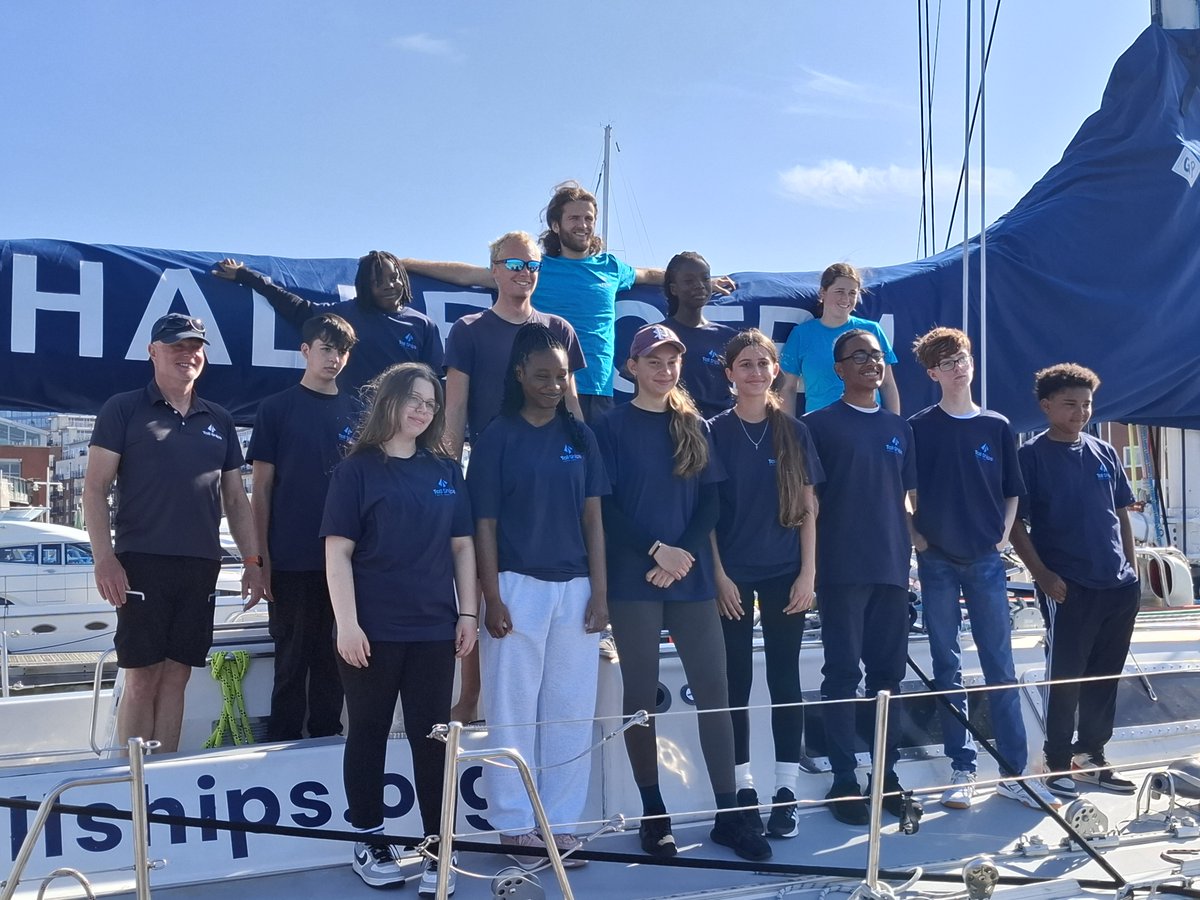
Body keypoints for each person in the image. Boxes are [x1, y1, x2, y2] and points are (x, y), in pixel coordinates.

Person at [593, 323, 771, 863]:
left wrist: (682, 556)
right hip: (635, 580)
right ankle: (654, 814)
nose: (664, 369)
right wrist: (656, 552)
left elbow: (711, 503)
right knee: (640, 696)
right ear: (631, 367)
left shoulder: (693, 423)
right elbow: (604, 507)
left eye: (672, 361)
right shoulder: (610, 426)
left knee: (715, 691)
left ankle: (729, 815)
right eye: (653, 361)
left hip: (688, 578)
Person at [321, 362, 479, 893]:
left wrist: (468, 613)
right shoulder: (355, 471)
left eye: (431, 403)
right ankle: (368, 839)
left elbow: (463, 547)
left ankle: (439, 846)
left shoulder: (445, 471)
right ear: (388, 400)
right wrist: (347, 624)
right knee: (367, 732)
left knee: (431, 738)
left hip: (433, 630)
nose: (422, 410)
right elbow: (337, 553)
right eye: (413, 398)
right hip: (371, 631)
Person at [83, 313, 267, 754]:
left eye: (195, 347)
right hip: (140, 562)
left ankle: (163, 773)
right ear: (153, 351)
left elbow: (235, 500)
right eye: (176, 346)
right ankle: (130, 775)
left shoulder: (219, 418)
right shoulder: (123, 409)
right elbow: (93, 488)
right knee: (142, 676)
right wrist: (104, 559)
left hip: (200, 565)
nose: (188, 354)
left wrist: (253, 561)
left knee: (178, 675)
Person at [403, 181, 734, 422]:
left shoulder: (611, 267)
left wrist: (705, 283)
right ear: (556, 225)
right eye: (575, 218)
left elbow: (650, 274)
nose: (583, 225)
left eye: (589, 218)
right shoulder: (533, 268)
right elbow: (467, 275)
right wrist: (405, 264)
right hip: (545, 387)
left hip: (598, 390)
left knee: (594, 482)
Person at [467, 323, 610, 868]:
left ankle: (559, 825)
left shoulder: (581, 437)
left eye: (561, 377)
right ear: (520, 375)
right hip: (516, 587)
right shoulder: (497, 436)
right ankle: (514, 828)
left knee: (570, 713)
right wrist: (491, 595)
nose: (553, 385)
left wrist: (600, 593)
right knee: (512, 714)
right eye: (542, 376)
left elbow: (593, 519)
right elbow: (483, 523)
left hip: (576, 591)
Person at [908, 327, 1061, 811]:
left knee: (1000, 665)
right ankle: (963, 768)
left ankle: (1014, 773)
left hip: (986, 560)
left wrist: (1002, 534)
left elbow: (1012, 490)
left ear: (972, 364)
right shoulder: (918, 427)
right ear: (932, 374)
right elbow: (901, 488)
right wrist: (915, 535)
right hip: (935, 559)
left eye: (962, 359)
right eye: (946, 362)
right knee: (946, 665)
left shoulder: (997, 426)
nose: (958, 368)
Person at [441, 230, 585, 724]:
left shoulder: (559, 328)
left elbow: (572, 403)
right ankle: (471, 696)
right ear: (495, 270)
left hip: (553, 476)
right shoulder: (469, 329)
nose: (525, 273)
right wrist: (447, 471)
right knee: (482, 582)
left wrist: (584, 459)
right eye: (516, 264)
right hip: (491, 472)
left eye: (533, 265)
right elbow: (455, 408)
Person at [803, 329, 920, 826]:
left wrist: (914, 557)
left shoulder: (899, 427)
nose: (871, 363)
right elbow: (808, 504)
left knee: (887, 679)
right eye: (859, 356)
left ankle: (885, 777)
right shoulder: (816, 426)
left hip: (892, 569)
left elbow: (907, 499)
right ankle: (844, 780)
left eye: (876, 356)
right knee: (842, 676)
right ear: (839, 370)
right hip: (841, 569)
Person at [709, 329, 822, 839]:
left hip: (784, 573)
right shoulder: (712, 431)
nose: (755, 372)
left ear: (776, 370)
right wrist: (718, 575)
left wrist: (808, 574)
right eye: (745, 365)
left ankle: (786, 792)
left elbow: (808, 509)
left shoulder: (793, 431)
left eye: (763, 363)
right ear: (729, 374)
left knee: (784, 681)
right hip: (732, 576)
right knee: (735, 682)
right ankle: (743, 791)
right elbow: (707, 515)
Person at [1008, 363, 1139, 800]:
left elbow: (1120, 514)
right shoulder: (1030, 457)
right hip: (1068, 586)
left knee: (1106, 676)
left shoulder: (1105, 452)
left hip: (1118, 586)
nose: (1080, 412)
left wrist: (1132, 572)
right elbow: (1015, 524)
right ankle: (1057, 762)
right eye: (1070, 404)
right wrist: (1042, 575)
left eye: (1086, 404)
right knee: (1065, 677)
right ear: (1046, 406)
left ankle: (1091, 756)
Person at [247, 313, 360, 741]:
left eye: (342, 351)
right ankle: (283, 744)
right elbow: (260, 489)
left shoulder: (358, 412)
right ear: (306, 351)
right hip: (291, 559)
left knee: (336, 660)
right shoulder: (275, 409)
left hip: (347, 563)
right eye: (326, 349)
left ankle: (328, 742)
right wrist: (260, 559)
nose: (334, 358)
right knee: (291, 662)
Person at [212, 251, 443, 394]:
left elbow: (433, 382)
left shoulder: (423, 325)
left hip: (401, 425)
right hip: (354, 422)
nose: (388, 286)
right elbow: (296, 307)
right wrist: (246, 276)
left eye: (394, 278)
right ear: (364, 287)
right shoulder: (348, 313)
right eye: (377, 281)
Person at [780, 263, 900, 416]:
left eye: (852, 293)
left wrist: (895, 423)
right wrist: (788, 428)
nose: (846, 299)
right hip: (820, 424)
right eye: (839, 291)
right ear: (822, 292)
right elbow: (788, 388)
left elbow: (887, 384)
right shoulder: (801, 334)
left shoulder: (872, 330)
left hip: (867, 421)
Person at [662, 252, 738, 419]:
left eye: (705, 278)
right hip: (671, 429)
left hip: (719, 432)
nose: (699, 285)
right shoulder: (656, 335)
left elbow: (773, 378)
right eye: (689, 281)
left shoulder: (729, 337)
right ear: (674, 289)